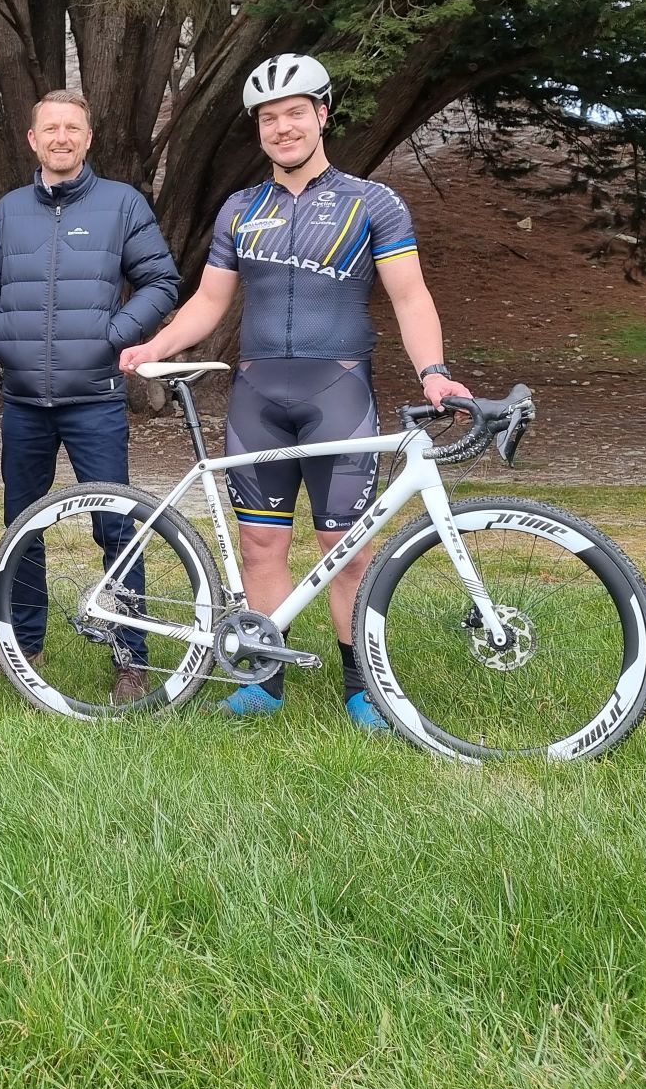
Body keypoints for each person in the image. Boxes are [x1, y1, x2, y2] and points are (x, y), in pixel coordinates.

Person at [118, 54, 473, 728]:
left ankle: (363, 685)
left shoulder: (373, 203)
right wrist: (158, 345)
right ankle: (266, 679)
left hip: (336, 391)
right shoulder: (239, 209)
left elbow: (409, 295)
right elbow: (210, 301)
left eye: (294, 113)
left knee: (348, 549)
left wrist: (433, 371)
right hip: (258, 398)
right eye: (269, 118)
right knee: (260, 547)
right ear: (260, 130)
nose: (282, 127)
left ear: (322, 116)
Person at [0, 89, 180, 704]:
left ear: (87, 140)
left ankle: (130, 655)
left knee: (116, 525)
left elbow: (161, 280)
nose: (61, 138)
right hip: (23, 402)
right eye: (50, 129)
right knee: (23, 527)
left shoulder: (122, 204)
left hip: (95, 397)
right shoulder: (10, 210)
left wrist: (109, 338)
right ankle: (25, 646)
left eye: (72, 129)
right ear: (32, 140)